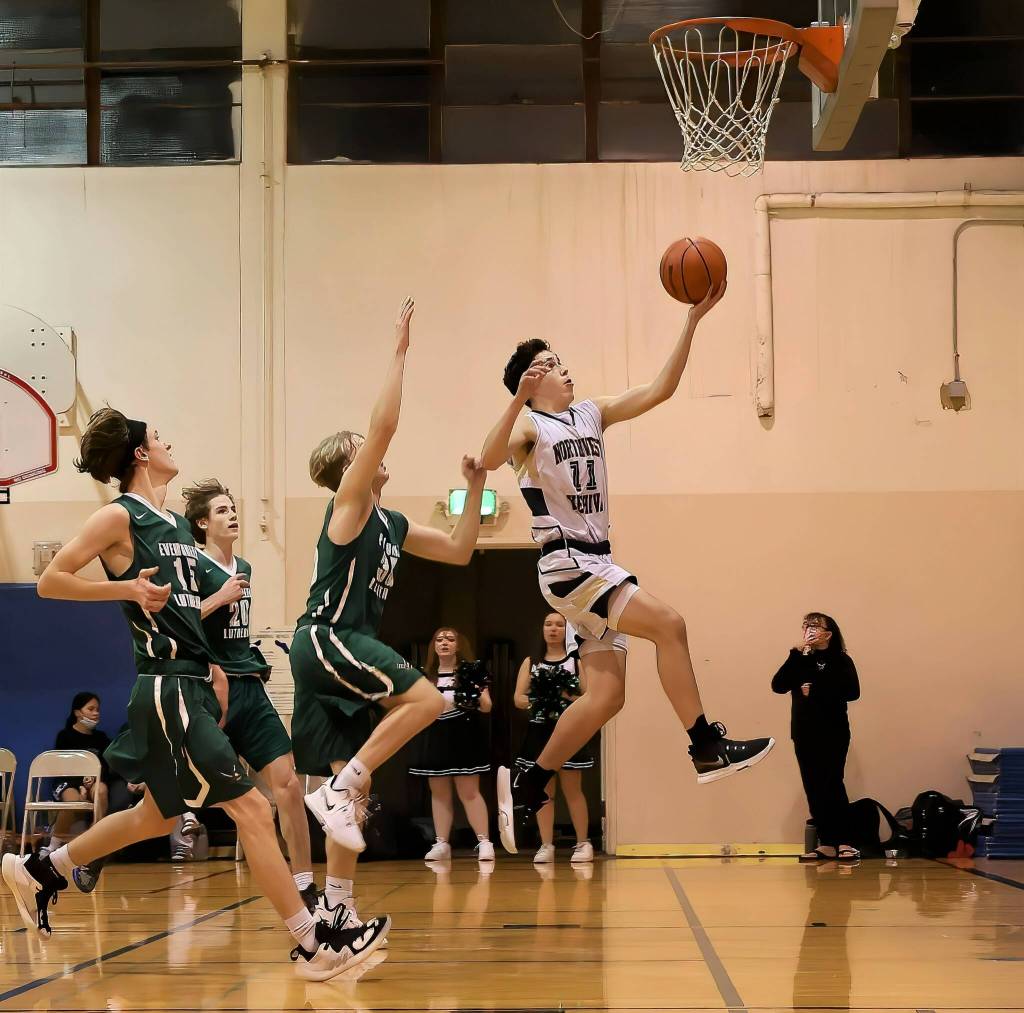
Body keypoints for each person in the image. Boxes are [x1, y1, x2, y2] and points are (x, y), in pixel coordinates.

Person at [1, 407, 387, 981]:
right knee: (252, 809)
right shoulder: (118, 517)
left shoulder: (176, 526)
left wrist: (215, 666)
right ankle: (311, 945)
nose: (167, 441)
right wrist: (124, 588)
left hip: (194, 683)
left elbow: (188, 611)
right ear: (139, 454)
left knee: (155, 817)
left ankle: (43, 868)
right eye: (157, 437)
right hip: (164, 688)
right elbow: (53, 580)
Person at [479, 283, 775, 852]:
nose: (566, 372)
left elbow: (661, 388)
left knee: (607, 697)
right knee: (670, 624)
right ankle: (704, 744)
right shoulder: (528, 428)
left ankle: (530, 779)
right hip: (567, 564)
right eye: (553, 366)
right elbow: (491, 457)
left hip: (597, 562)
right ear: (531, 381)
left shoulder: (592, 413)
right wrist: (517, 398)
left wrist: (693, 320)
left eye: (562, 363)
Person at [290, 298, 489, 929]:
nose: (373, 449)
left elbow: (458, 550)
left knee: (357, 792)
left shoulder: (392, 522)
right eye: (362, 448)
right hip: (327, 638)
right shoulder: (347, 507)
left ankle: (337, 912)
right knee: (427, 701)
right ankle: (342, 783)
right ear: (351, 466)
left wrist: (477, 482)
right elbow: (383, 428)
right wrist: (399, 353)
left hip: (340, 653)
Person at [182, 478, 316, 908]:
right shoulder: (195, 566)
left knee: (288, 784)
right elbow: (179, 624)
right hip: (210, 689)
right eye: (221, 511)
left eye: (232, 508)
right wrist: (218, 598)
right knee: (169, 799)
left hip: (250, 685)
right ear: (202, 523)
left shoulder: (246, 566)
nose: (232, 515)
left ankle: (305, 882)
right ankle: (90, 855)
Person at [771, 612, 861, 862]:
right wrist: (795, 653)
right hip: (803, 732)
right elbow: (778, 685)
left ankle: (844, 841)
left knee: (832, 783)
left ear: (828, 633)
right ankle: (827, 842)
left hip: (833, 732)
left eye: (815, 625)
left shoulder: (841, 660)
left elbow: (853, 692)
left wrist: (817, 686)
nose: (809, 629)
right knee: (813, 786)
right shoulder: (800, 659)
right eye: (806, 625)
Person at [409, 627, 495, 863]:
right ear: (433, 647)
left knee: (469, 791)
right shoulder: (425, 676)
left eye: (450, 639)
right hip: (434, 735)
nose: (444, 642)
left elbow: (487, 706)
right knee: (439, 793)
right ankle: (441, 843)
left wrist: (474, 693)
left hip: (463, 734)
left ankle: (484, 841)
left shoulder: (472, 673)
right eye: (439, 639)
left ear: (459, 645)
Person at [513, 613, 593, 865]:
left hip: (568, 730)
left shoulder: (575, 661)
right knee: (543, 789)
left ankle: (583, 843)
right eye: (548, 624)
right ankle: (546, 844)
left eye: (559, 624)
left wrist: (565, 699)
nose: (553, 629)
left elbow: (589, 696)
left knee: (573, 789)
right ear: (542, 629)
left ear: (566, 630)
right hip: (539, 732)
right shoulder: (531, 662)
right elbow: (518, 698)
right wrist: (541, 701)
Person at [46, 693, 113, 853]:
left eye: (98, 709)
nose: (96, 713)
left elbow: (106, 766)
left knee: (101, 790)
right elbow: (62, 767)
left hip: (93, 781)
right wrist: (80, 785)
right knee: (73, 800)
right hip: (67, 781)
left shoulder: (101, 738)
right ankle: (52, 847)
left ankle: (94, 840)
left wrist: (94, 779)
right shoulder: (65, 736)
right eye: (91, 709)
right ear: (77, 712)